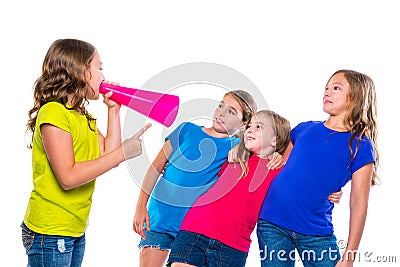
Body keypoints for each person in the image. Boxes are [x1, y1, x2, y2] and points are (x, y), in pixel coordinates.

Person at [21, 38, 151, 267]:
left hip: (74, 228)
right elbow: (68, 178)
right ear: (80, 71)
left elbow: (107, 155)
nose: (103, 75)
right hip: (50, 231)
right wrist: (122, 153)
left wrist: (113, 111)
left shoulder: (81, 115)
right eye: (98, 68)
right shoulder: (54, 113)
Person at [133, 90, 284, 267]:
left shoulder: (238, 147)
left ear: (244, 125)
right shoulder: (186, 129)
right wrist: (140, 206)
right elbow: (156, 167)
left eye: (231, 111)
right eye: (221, 105)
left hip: (192, 227)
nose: (221, 112)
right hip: (160, 216)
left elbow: (265, 145)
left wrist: (277, 155)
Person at [256, 69, 379, 266]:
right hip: (272, 221)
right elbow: (284, 164)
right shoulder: (304, 129)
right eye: (326, 88)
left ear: (356, 97)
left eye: (336, 88)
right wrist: (277, 156)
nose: (327, 92)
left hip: (316, 231)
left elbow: (359, 201)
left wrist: (349, 256)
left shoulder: (360, 146)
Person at [167, 110, 291, 267]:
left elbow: (304, 153)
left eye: (259, 126)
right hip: (195, 228)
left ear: (275, 140)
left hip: (233, 245)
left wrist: (281, 155)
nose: (250, 129)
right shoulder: (235, 157)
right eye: (249, 126)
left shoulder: (279, 170)